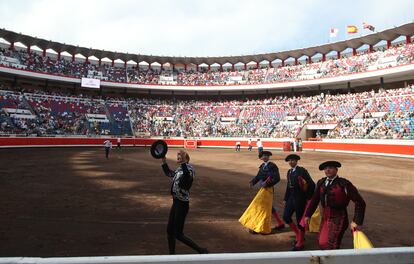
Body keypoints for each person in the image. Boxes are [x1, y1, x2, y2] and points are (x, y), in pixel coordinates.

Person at [304, 161, 366, 250]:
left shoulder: (344, 184)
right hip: (325, 218)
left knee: (331, 245)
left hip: (339, 218)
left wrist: (356, 221)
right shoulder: (321, 183)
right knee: (322, 242)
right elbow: (314, 200)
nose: (328, 170)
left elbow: (360, 202)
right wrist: (308, 214)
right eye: (326, 168)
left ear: (336, 170)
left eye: (330, 168)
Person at [161, 150, 208, 254]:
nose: (178, 157)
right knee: (169, 231)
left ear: (186, 159)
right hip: (176, 202)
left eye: (181, 156)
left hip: (182, 204)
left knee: (178, 233)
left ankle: (201, 250)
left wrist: (183, 163)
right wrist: (164, 161)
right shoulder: (179, 170)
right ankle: (171, 255)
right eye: (178, 156)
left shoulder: (190, 169)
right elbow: (169, 173)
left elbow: (187, 177)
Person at [282, 154, 315, 251]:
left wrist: (308, 197)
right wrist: (285, 198)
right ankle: (298, 234)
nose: (291, 162)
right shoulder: (289, 172)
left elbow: (311, 184)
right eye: (290, 160)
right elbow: (288, 186)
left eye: (293, 160)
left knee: (300, 219)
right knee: (286, 217)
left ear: (297, 161)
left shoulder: (302, 171)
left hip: (300, 198)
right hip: (291, 198)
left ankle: (300, 242)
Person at [249, 151, 285, 231]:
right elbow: (258, 176)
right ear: (261, 158)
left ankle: (260, 226)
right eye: (263, 156)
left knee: (263, 206)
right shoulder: (262, 166)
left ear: (269, 157)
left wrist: (268, 184)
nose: (265, 157)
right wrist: (253, 182)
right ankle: (280, 223)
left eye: (267, 155)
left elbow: (277, 178)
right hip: (262, 189)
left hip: (268, 189)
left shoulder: (272, 166)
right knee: (268, 206)